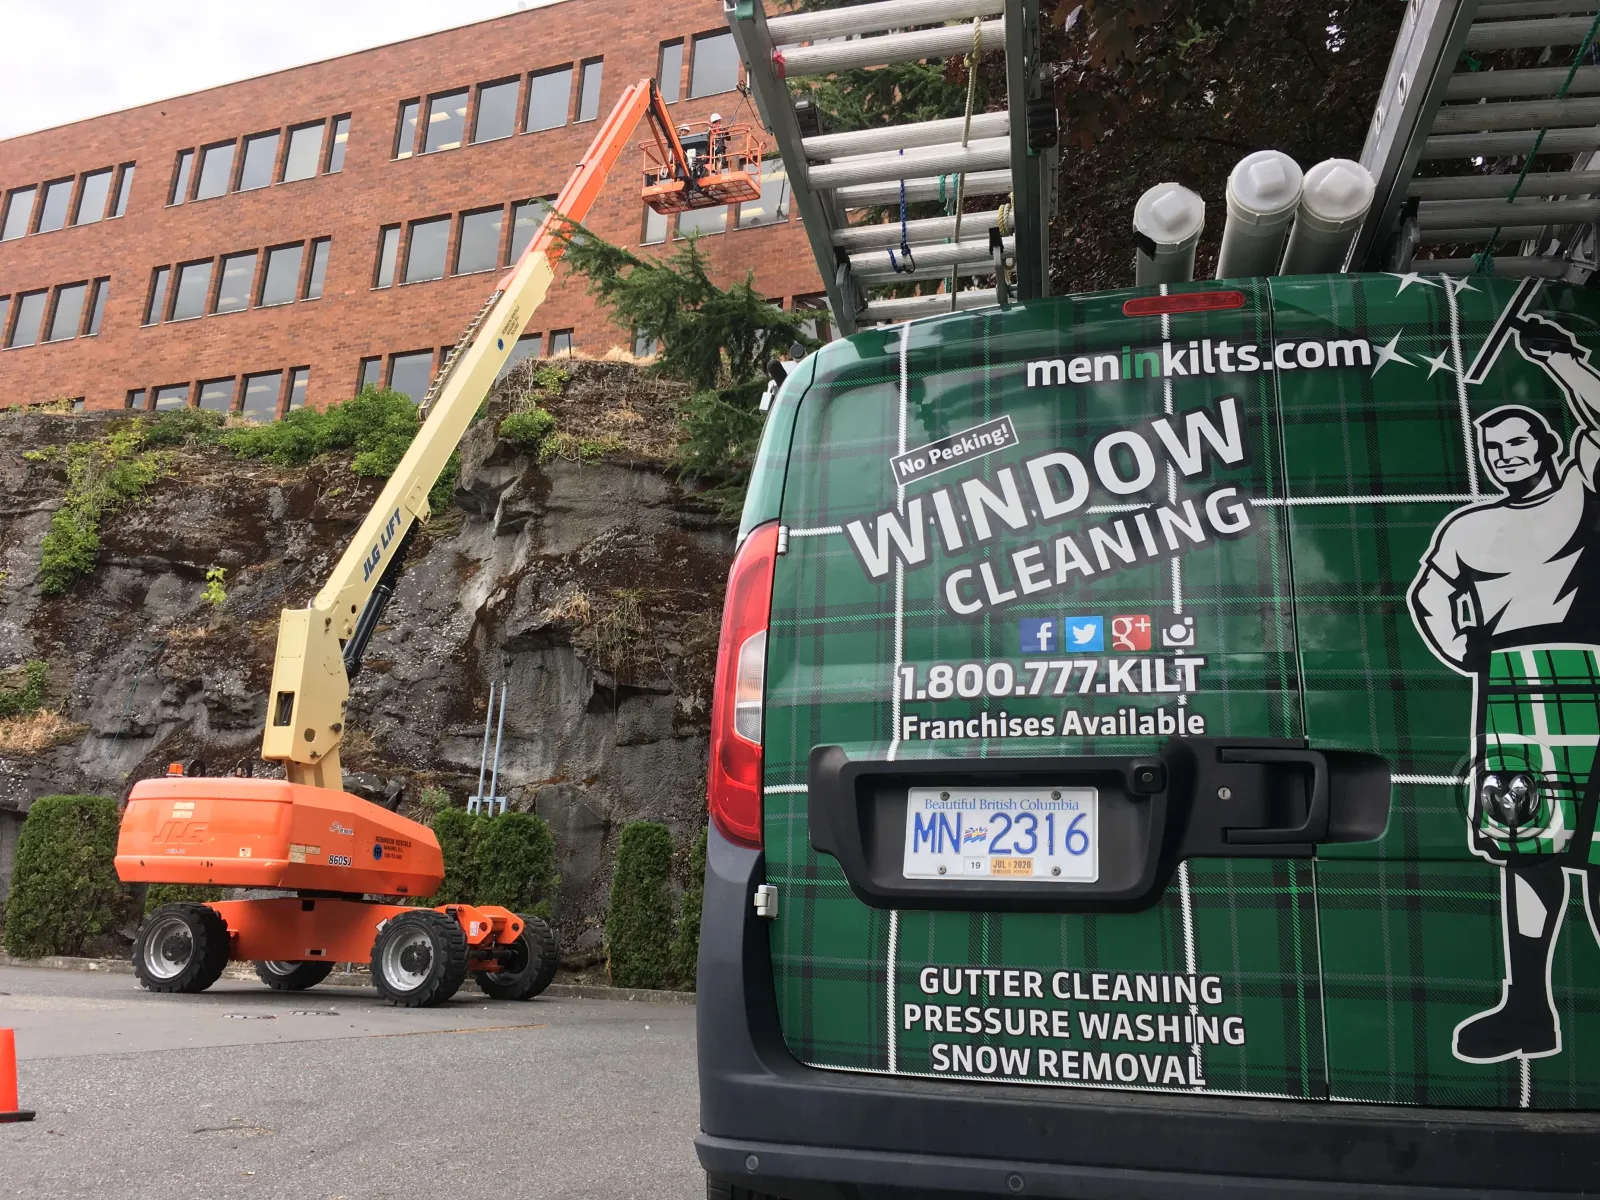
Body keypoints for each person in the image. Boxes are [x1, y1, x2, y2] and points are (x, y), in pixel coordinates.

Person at [1409, 313, 1600, 1063]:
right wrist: (1460, 647)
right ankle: (1528, 1010)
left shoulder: (1583, 489)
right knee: (1525, 851)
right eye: (1493, 448)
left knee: (1597, 855)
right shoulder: (1468, 527)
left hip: (1589, 667)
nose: (1506, 456)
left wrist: (1563, 362)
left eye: (1518, 442)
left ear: (1546, 445)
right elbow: (1431, 592)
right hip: (1512, 682)